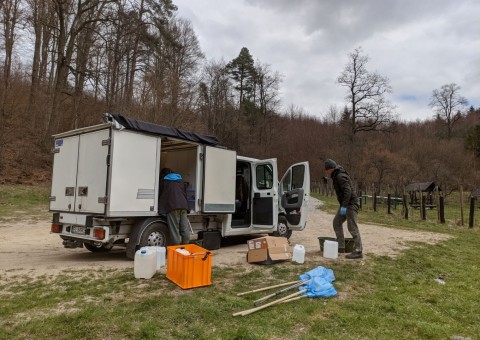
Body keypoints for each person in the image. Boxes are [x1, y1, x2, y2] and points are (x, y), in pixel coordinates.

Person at [324, 159, 363, 259]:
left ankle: (358, 251)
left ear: (331, 169)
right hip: (345, 204)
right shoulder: (336, 175)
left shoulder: (340, 176)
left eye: (327, 170)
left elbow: (348, 191)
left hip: (351, 204)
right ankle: (341, 247)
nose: (326, 172)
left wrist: (344, 206)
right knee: (336, 222)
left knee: (352, 227)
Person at [158, 168, 190, 245]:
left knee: (174, 230)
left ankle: (177, 248)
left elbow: (161, 195)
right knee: (184, 228)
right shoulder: (180, 181)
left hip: (173, 207)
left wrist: (161, 209)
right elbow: (185, 194)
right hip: (184, 206)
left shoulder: (164, 181)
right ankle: (185, 247)